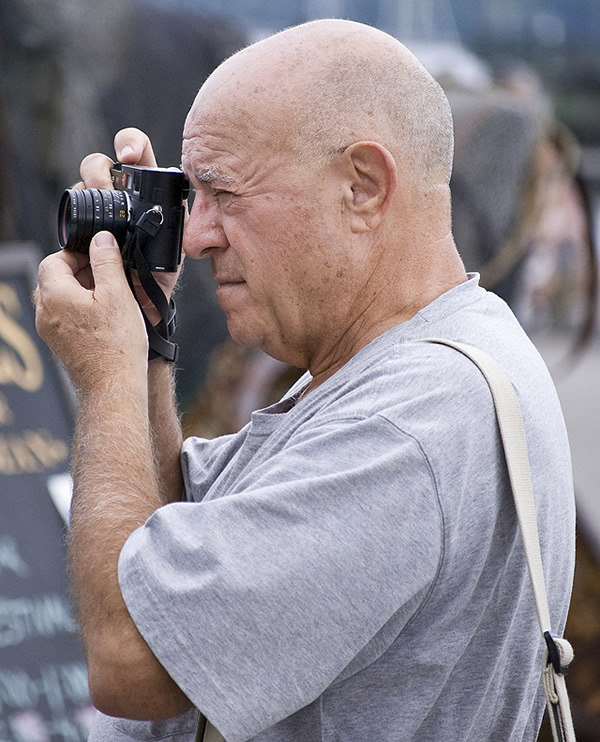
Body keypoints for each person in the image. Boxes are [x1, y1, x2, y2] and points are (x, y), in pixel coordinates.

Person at [34, 18, 575, 742]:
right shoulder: (418, 361)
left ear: (363, 186)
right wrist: (146, 337)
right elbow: (171, 553)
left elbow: (133, 659)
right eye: (190, 198)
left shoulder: (410, 421)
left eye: (224, 193)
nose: (195, 237)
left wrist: (104, 379)